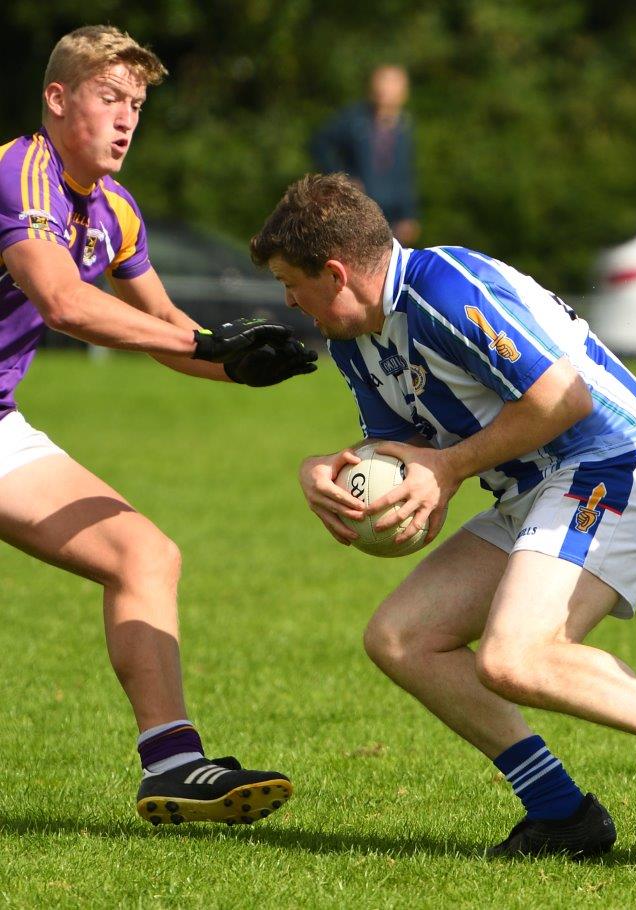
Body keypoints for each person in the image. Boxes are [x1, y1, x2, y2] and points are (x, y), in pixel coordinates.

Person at [249, 173, 636, 866]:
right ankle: (562, 815)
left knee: (517, 655)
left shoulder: (442, 288)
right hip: (534, 490)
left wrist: (446, 473)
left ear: (335, 271)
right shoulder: (357, 340)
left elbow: (562, 400)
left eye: (288, 281)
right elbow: (407, 465)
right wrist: (329, 476)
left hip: (615, 464)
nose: (288, 300)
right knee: (401, 637)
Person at [0, 25, 316, 825]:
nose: (127, 119)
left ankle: (172, 766)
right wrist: (206, 343)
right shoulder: (20, 171)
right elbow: (64, 303)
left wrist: (250, 363)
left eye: (136, 104)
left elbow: (170, 331)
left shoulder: (115, 211)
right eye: (110, 98)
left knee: (144, 553)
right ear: (57, 98)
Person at [310, 65, 420, 247]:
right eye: (381, 81)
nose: (384, 88)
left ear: (403, 92)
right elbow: (320, 144)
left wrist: (408, 215)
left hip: (391, 215)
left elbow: (406, 174)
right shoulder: (354, 119)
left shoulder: (404, 126)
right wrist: (342, 177)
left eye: (391, 83)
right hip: (358, 209)